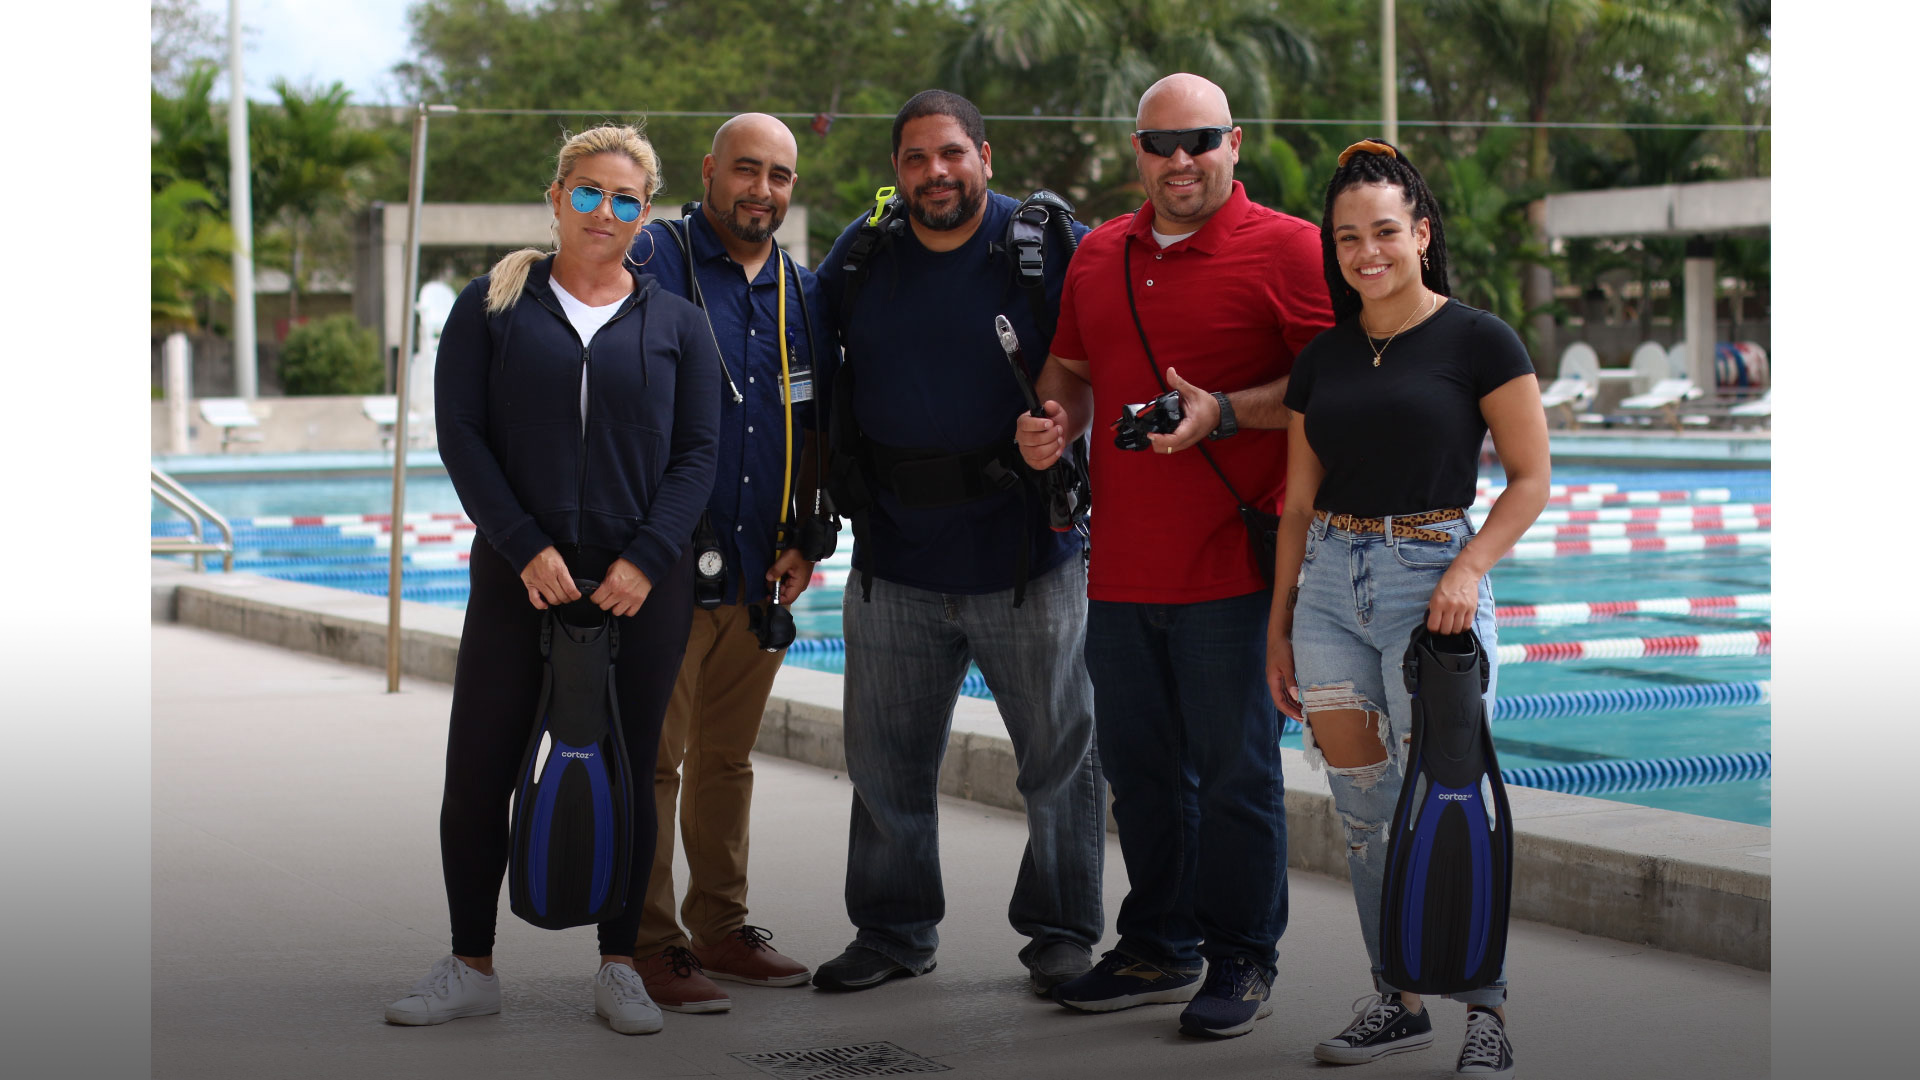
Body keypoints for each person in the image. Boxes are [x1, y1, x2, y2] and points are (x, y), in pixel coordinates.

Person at [1014, 73, 1333, 1038]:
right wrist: (1052, 422)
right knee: (1143, 774)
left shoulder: (1291, 249)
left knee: (1236, 775)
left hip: (1236, 568)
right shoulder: (1100, 253)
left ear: (1234, 141)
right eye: (1161, 144)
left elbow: (1336, 388)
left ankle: (1242, 957)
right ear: (1137, 150)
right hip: (1119, 571)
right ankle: (1158, 944)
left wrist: (1228, 412)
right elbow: (1070, 366)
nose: (1180, 161)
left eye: (1200, 140)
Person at [384, 124, 721, 1036]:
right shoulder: (488, 308)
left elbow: (697, 455)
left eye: (623, 199)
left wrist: (647, 561)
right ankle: (470, 963)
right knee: (478, 772)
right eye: (587, 192)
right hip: (515, 581)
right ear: (557, 196)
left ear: (644, 215)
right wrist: (523, 544)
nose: (603, 212)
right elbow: (462, 436)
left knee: (631, 769)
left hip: (639, 594)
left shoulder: (678, 324)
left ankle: (620, 965)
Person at [809, 89, 1105, 995]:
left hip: (1028, 558)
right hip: (894, 557)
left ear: (985, 156)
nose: (934, 173)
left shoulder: (1048, 244)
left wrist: (1072, 425)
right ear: (895, 173)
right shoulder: (861, 256)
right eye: (914, 159)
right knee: (886, 765)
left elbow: (1110, 352)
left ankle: (1060, 931)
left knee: (1060, 760)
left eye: (950, 155)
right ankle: (893, 930)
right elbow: (791, 353)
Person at [1265, 139, 1548, 1078]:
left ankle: (1487, 1014)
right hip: (1329, 597)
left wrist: (1467, 571)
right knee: (1364, 813)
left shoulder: (1479, 340)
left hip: (1433, 585)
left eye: (1384, 230)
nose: (1366, 251)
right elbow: (1299, 504)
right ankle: (1399, 1000)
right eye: (1347, 238)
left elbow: (1530, 479)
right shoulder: (1323, 359)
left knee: (1453, 806)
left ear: (1420, 233)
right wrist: (1280, 623)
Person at [625, 113, 834, 1013]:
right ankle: (644, 944)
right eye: (745, 170)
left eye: (779, 175)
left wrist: (804, 537)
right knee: (654, 762)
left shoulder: (799, 287)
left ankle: (721, 926)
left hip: (760, 570)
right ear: (709, 171)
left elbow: (815, 419)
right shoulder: (654, 261)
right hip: (666, 565)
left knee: (726, 762)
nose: (762, 190)